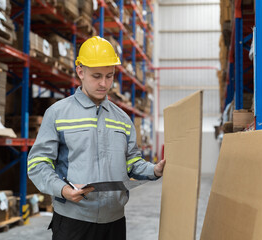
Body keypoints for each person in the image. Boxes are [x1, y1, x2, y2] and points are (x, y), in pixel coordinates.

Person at [27, 36, 166, 240]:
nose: (104, 83)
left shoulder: (122, 119)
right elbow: (38, 163)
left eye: (109, 76)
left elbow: (133, 162)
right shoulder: (57, 114)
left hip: (115, 222)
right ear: (80, 71)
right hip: (73, 221)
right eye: (97, 76)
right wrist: (62, 189)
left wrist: (153, 170)